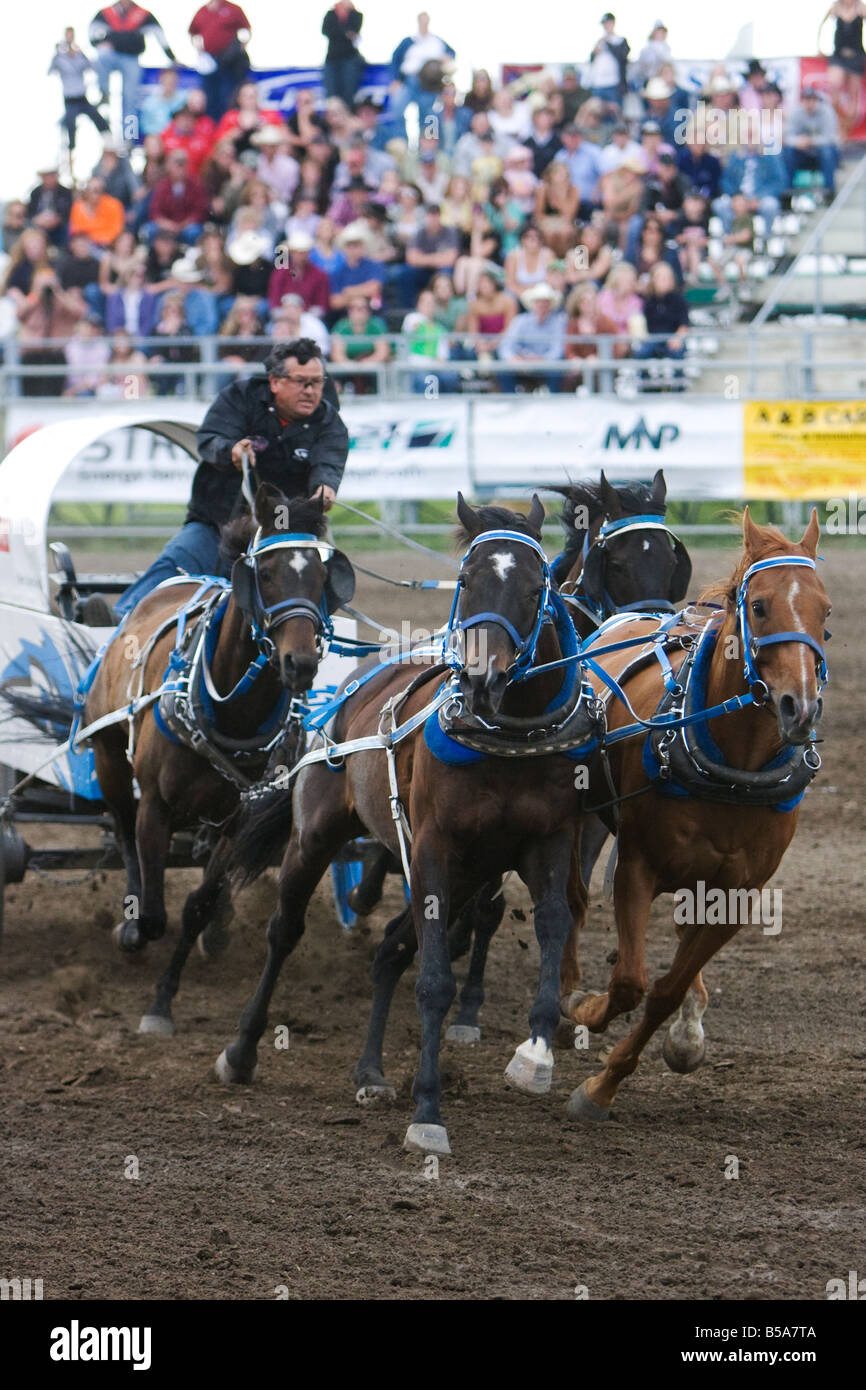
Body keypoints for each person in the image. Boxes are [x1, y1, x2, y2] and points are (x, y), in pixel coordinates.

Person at [110, 339, 348, 620]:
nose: (310, 391)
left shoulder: (330, 424)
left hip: (280, 533)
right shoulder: (239, 398)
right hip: (220, 521)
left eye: (317, 382)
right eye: (300, 382)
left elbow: (328, 465)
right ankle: (121, 619)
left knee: (302, 593)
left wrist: (325, 488)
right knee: (178, 561)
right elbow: (209, 440)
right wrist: (231, 451)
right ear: (275, 382)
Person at [89, 1, 176, 132]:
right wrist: (98, 43)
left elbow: (159, 34)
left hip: (131, 58)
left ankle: (129, 136)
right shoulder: (108, 12)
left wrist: (172, 57)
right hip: (112, 55)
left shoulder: (142, 14)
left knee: (130, 100)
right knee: (101, 55)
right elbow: (92, 30)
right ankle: (104, 93)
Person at [390, 12, 456, 134]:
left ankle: (428, 149)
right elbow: (395, 59)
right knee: (397, 109)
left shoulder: (437, 42)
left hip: (430, 84)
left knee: (430, 116)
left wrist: (447, 59)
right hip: (409, 81)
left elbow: (451, 53)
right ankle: (400, 145)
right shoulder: (409, 41)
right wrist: (395, 80)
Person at [49, 28, 111, 154]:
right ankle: (70, 155)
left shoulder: (79, 56)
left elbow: (94, 68)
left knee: (99, 119)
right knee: (70, 127)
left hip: (82, 97)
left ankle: (110, 144)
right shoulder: (59, 58)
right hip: (69, 100)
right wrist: (55, 54)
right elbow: (50, 72)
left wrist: (82, 54)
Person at [189, 2, 252, 124]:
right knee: (209, 98)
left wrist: (240, 47)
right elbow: (192, 32)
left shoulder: (233, 9)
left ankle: (225, 126)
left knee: (227, 97)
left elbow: (247, 30)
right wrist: (199, 49)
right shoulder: (203, 11)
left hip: (229, 63)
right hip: (209, 62)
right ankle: (211, 128)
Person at [496, 281, 566, 392]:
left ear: (550, 305)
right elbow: (506, 346)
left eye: (545, 302)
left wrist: (541, 360)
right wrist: (515, 360)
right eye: (538, 302)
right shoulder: (520, 321)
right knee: (503, 370)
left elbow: (558, 351)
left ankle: (553, 403)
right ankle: (511, 402)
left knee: (557, 370)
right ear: (532, 304)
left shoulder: (558, 322)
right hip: (522, 364)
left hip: (546, 365)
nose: (542, 305)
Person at [822, 0, 866, 140]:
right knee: (834, 85)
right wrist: (820, 46)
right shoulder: (835, 7)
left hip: (856, 56)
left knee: (854, 96)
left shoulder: (861, 8)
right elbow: (822, 25)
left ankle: (846, 129)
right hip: (839, 55)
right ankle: (841, 124)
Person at [784, 87, 840, 195]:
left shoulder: (827, 112)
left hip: (822, 152)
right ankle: (788, 191)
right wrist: (798, 141)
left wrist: (811, 141)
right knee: (788, 152)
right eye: (807, 99)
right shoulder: (796, 113)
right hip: (803, 153)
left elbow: (830, 137)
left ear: (817, 100)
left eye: (812, 99)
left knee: (827, 152)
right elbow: (787, 136)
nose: (809, 103)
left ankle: (829, 190)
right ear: (802, 101)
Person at [330, 292, 390, 392]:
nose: (359, 311)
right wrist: (352, 366)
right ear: (349, 310)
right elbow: (337, 355)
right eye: (354, 307)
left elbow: (382, 353)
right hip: (347, 366)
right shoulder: (341, 326)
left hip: (370, 366)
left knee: (379, 374)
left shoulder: (377, 325)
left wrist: (364, 364)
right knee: (336, 377)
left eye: (363, 307)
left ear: (368, 310)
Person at [322, 4, 364, 107]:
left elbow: (354, 30)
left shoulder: (356, 15)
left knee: (348, 93)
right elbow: (326, 30)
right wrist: (345, 33)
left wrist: (338, 30)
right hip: (332, 59)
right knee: (331, 95)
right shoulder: (331, 14)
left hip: (350, 59)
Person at [68, 177, 126, 248]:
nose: (95, 194)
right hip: (85, 246)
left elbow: (117, 230)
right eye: (91, 190)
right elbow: (76, 232)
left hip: (110, 244)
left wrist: (97, 239)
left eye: (98, 190)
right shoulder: (77, 207)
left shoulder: (114, 204)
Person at [588, 12, 630, 109]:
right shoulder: (599, 41)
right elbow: (591, 60)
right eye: (604, 24)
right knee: (598, 113)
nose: (606, 26)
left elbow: (622, 56)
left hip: (614, 85)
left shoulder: (620, 40)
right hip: (598, 84)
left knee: (615, 113)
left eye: (608, 23)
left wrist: (608, 43)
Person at [28, 168, 73, 249]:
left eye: (52, 176)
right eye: (46, 176)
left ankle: (63, 250)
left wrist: (57, 219)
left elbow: (68, 212)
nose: (49, 179)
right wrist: (37, 219)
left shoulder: (65, 192)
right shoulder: (35, 192)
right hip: (40, 226)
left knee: (67, 228)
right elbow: (30, 212)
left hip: (59, 226)